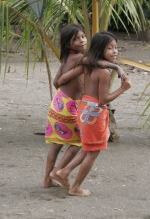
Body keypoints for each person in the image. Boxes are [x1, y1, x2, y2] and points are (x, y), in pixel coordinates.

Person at [42, 26, 125, 188]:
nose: (82, 40)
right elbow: (94, 61)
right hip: (71, 106)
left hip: (58, 103)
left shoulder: (66, 59)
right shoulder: (81, 58)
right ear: (68, 44)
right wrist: (116, 67)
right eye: (77, 39)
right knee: (79, 143)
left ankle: (47, 179)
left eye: (83, 37)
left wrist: (68, 80)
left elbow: (56, 82)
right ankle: (59, 172)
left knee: (56, 145)